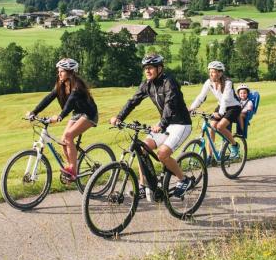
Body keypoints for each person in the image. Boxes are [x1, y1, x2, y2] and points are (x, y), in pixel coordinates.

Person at [110, 53, 194, 200]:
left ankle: (183, 180)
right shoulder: (147, 85)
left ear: (159, 68)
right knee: (142, 149)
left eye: (151, 68)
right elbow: (133, 101)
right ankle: (143, 186)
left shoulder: (169, 82)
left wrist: (161, 124)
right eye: (145, 68)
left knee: (163, 154)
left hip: (181, 124)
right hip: (165, 124)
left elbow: (170, 104)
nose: (147, 71)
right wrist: (119, 117)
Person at [27, 58, 98, 181]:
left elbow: (70, 103)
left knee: (69, 136)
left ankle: (73, 171)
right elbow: (49, 97)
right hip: (77, 114)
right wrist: (34, 112)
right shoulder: (61, 84)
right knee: (63, 140)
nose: (59, 73)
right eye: (58, 71)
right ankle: (70, 167)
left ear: (70, 72)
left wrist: (60, 116)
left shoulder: (77, 86)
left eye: (62, 71)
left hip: (89, 114)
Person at [188, 61, 241, 158]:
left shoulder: (228, 83)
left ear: (220, 73)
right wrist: (191, 108)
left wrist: (220, 114)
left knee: (220, 127)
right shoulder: (209, 82)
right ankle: (210, 156)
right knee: (211, 127)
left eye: (213, 72)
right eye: (210, 71)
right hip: (221, 105)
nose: (211, 74)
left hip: (233, 107)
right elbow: (201, 97)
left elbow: (225, 99)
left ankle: (235, 145)